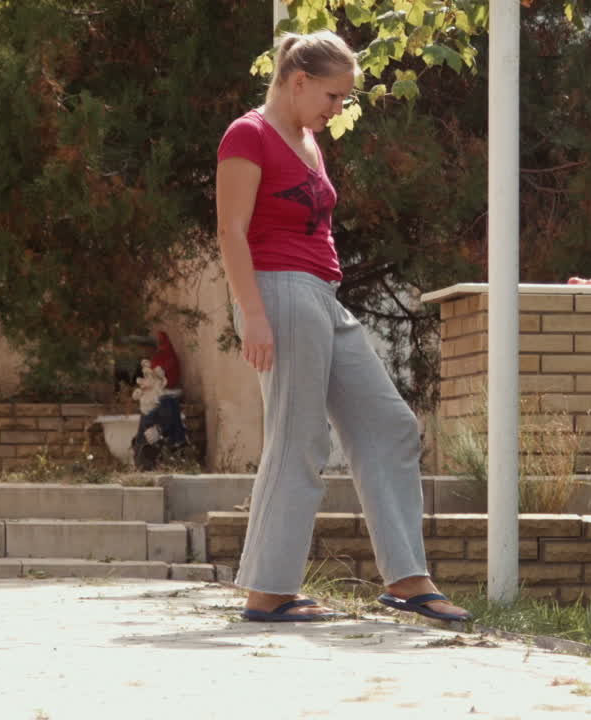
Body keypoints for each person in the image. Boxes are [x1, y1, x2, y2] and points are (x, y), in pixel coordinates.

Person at [215, 30, 470, 622]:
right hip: (276, 291)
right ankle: (269, 592)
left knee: (390, 425)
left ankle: (407, 578)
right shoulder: (247, 134)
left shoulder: (308, 141)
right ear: (298, 81)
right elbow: (232, 231)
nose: (337, 110)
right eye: (332, 96)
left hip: (322, 296)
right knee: (299, 438)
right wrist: (252, 313)